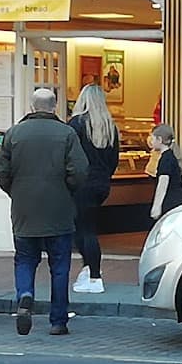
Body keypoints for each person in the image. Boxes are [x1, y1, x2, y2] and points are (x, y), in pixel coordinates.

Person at [0, 88, 88, 337]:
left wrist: (16, 192)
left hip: (24, 210)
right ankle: (58, 321)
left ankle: (25, 294)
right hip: (59, 211)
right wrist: (67, 192)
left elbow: (0, 171)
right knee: (59, 266)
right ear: (54, 107)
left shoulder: (14, 133)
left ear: (32, 107)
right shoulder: (67, 133)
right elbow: (79, 171)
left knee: (25, 259)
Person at [67, 84, 119, 294]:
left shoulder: (77, 124)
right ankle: (89, 270)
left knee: (84, 230)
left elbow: (69, 156)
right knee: (88, 227)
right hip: (101, 184)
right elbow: (113, 160)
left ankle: (94, 275)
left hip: (82, 184)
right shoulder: (110, 126)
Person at [148, 123, 182, 220]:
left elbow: (162, 184)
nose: (151, 141)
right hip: (179, 202)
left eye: (153, 138)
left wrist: (156, 206)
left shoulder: (165, 159)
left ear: (159, 140)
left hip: (170, 204)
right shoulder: (173, 156)